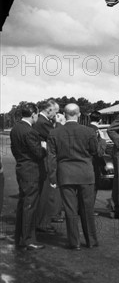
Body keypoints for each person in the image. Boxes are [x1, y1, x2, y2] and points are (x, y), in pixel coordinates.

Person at [47, 104, 101, 250]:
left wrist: (52, 178)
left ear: (64, 114)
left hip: (66, 175)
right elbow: (95, 151)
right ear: (78, 114)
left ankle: (74, 242)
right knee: (87, 209)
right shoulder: (89, 131)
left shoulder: (54, 133)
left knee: (70, 210)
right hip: (86, 174)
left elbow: (51, 158)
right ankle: (91, 240)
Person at [10, 103, 46, 250]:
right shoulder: (30, 131)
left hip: (21, 167)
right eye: (37, 115)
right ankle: (27, 240)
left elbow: (14, 149)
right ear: (33, 115)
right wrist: (44, 148)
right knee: (30, 206)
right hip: (31, 170)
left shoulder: (15, 129)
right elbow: (38, 153)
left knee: (23, 204)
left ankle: (20, 237)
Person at [34, 100, 60, 233]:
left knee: (46, 192)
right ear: (49, 110)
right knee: (45, 192)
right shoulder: (43, 123)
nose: (56, 114)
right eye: (55, 111)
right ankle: (43, 223)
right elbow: (57, 136)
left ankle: (44, 221)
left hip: (44, 159)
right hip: (44, 161)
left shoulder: (43, 122)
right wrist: (60, 123)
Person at [88, 111, 106, 215]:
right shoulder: (97, 132)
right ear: (100, 120)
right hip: (94, 163)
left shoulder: (84, 129)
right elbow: (99, 152)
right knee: (93, 188)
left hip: (84, 162)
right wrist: (103, 140)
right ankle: (89, 209)